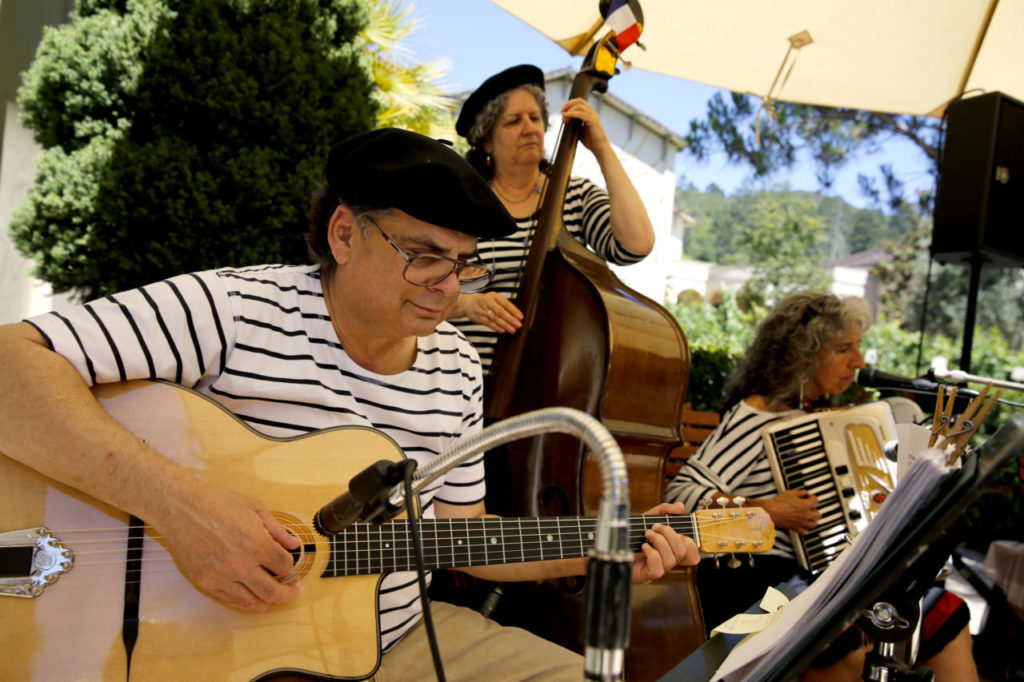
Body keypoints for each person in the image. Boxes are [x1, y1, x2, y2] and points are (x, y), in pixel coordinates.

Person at [0, 128, 698, 680]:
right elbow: (10, 365)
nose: (445, 285)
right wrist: (181, 510)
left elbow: (468, 535)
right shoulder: (234, 309)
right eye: (423, 253)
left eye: (463, 263)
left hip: (390, 641)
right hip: (195, 642)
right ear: (343, 234)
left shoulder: (456, 364)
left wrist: (603, 548)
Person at [665, 289, 975, 681]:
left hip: (807, 581)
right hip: (757, 583)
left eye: (858, 348)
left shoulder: (820, 417)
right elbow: (681, 495)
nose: (858, 362)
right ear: (804, 353)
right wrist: (766, 509)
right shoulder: (759, 413)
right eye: (844, 348)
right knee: (853, 648)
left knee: (944, 610)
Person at [448, 64, 655, 373]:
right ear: (487, 141)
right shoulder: (463, 205)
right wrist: (467, 304)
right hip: (469, 378)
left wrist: (601, 147)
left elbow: (636, 245)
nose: (530, 128)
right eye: (513, 121)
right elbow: (421, 286)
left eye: (535, 118)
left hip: (554, 381)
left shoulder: (574, 196)